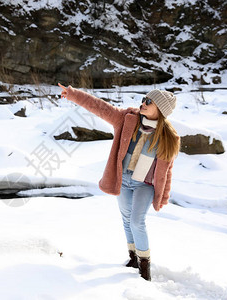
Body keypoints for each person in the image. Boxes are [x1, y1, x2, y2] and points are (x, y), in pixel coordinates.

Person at [58, 83, 180, 281]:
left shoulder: (169, 138)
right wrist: (73, 94)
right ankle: (133, 257)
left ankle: (144, 265)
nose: (143, 103)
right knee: (126, 220)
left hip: (145, 186)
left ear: (161, 109)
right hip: (123, 181)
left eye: (149, 101)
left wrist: (163, 196)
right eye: (143, 99)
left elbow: (167, 172)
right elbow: (100, 107)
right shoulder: (126, 119)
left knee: (136, 221)